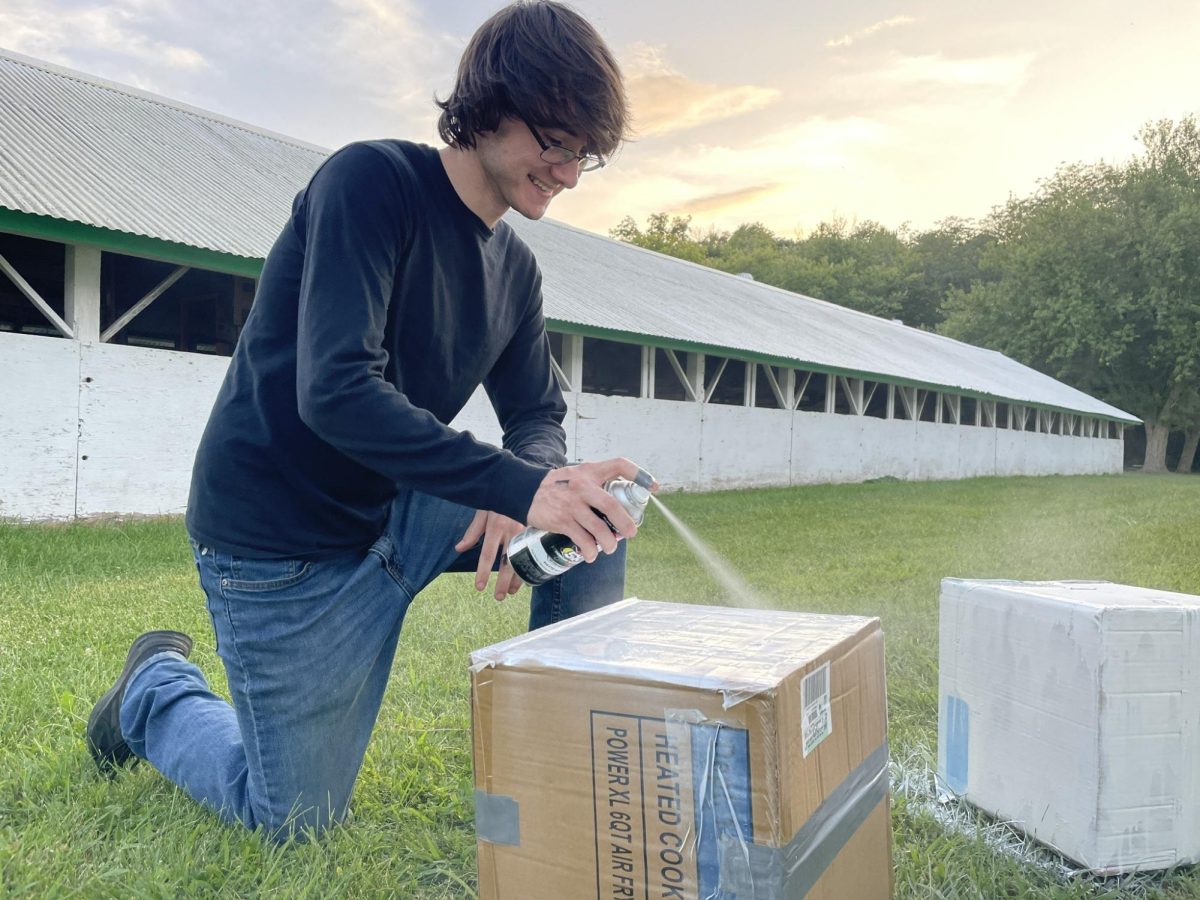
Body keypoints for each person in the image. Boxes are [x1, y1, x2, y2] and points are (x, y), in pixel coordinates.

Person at [86, 0, 656, 842]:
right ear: (492, 102)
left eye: (585, 155)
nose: (568, 173)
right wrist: (515, 483)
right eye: (555, 141)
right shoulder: (370, 184)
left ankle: (558, 787)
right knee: (293, 820)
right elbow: (337, 391)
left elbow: (536, 412)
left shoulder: (517, 271)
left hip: (403, 509)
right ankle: (153, 690)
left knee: (592, 517)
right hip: (279, 543)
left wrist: (536, 483)